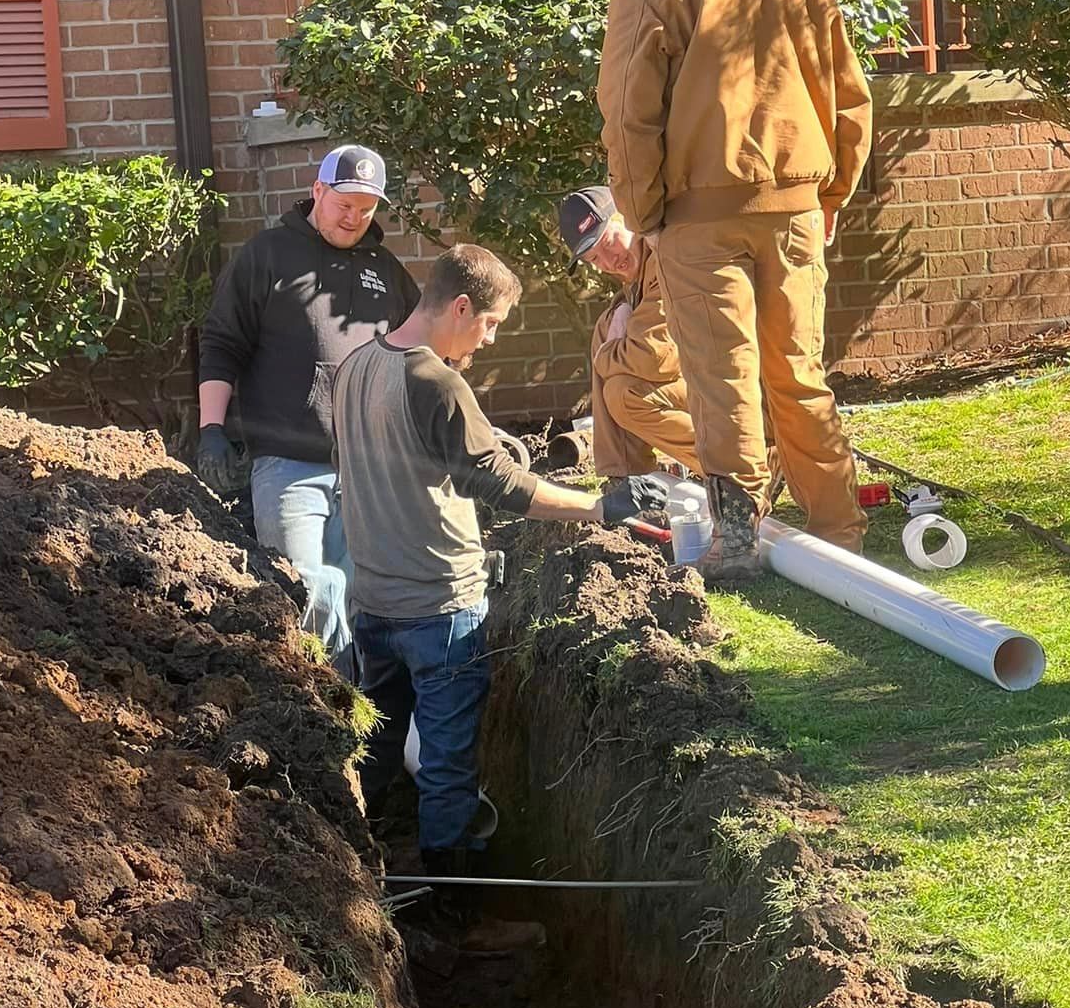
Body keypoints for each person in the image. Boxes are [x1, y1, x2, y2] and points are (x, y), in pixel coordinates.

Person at [332, 243, 660, 907]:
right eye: (488, 325)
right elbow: (506, 485)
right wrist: (604, 507)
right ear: (459, 307)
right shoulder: (435, 381)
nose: (485, 341)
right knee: (449, 767)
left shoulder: (355, 364)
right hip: (439, 609)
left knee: (378, 746)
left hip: (374, 606)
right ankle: (456, 915)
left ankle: (363, 876)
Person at [597, 0, 872, 578]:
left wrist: (644, 213)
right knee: (798, 370)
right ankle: (839, 529)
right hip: (798, 200)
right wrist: (833, 193)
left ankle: (742, 541)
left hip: (699, 213)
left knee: (721, 377)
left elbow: (629, 110)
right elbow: (847, 89)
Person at [195, 145, 419, 674]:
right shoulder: (267, 256)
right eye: (344, 202)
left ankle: (370, 729)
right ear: (317, 191)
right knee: (305, 588)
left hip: (368, 470)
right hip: (289, 467)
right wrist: (211, 428)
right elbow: (222, 342)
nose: (354, 217)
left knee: (363, 599)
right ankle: (327, 712)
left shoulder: (384, 270)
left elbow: (420, 355)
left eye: (366, 208)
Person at [557, 186, 700, 478]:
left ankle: (741, 468)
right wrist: (621, 307)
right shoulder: (638, 274)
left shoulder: (665, 259)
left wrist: (604, 356)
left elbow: (654, 359)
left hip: (742, 390)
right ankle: (623, 477)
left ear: (628, 218)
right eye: (594, 259)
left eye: (609, 241)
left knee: (625, 395)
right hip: (705, 381)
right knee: (607, 326)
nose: (609, 262)